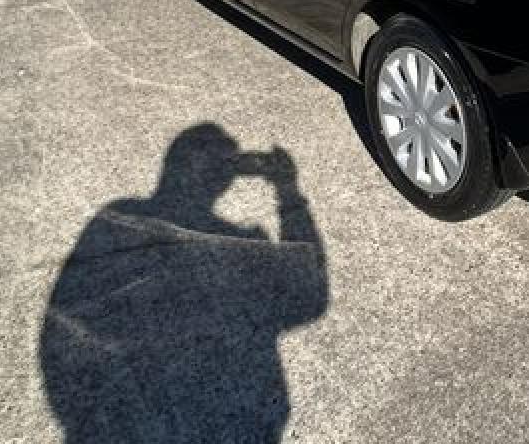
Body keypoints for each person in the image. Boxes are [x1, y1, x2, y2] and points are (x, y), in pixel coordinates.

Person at [39, 123, 328, 443]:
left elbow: (65, 320)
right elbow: (309, 294)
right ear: (225, 179)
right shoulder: (243, 243)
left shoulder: (121, 214)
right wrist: (287, 190)